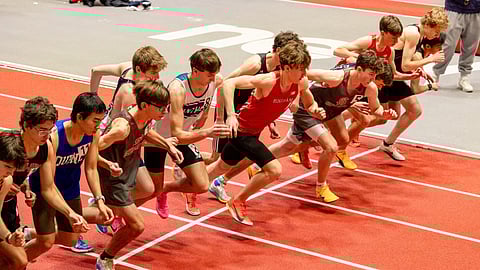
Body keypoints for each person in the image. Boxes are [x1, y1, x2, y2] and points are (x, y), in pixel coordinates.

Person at [219, 50, 395, 212]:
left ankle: (257, 165)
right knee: (331, 147)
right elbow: (305, 75)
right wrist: (293, 86)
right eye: (371, 74)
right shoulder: (335, 77)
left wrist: (384, 113)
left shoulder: (370, 87)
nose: (373, 79)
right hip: (308, 111)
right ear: (359, 69)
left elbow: (376, 109)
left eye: (374, 75)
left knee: (303, 144)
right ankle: (321, 186)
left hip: (328, 113)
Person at [207, 41, 324, 226]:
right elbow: (228, 84)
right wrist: (230, 115)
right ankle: (237, 201)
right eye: (300, 68)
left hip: (254, 133)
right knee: (274, 170)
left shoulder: (300, 82)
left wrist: (315, 110)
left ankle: (181, 186)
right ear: (286, 67)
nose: (304, 73)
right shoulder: (268, 80)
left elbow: (309, 103)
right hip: (241, 132)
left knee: (217, 168)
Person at [95, 80, 183, 270]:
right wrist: (107, 164)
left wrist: (168, 146)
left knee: (149, 188)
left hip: (129, 164)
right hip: (113, 176)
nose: (165, 112)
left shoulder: (145, 116)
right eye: (161, 108)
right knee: (137, 226)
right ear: (144, 105)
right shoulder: (122, 128)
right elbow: (94, 148)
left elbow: (146, 132)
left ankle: (112, 207)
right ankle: (105, 258)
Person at [208, 31, 303, 204]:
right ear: (280, 50)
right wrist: (224, 117)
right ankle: (190, 172)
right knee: (217, 158)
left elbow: (265, 100)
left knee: (236, 159)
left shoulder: (281, 73)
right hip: (232, 111)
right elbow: (224, 85)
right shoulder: (255, 64)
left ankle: (214, 181)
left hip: (250, 116)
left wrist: (270, 122)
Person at [25, 93, 115, 259]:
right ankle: (14, 262)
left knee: (71, 239)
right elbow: (48, 186)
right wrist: (69, 213)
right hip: (45, 188)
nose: (99, 125)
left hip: (70, 188)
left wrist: (99, 200)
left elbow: (91, 168)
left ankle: (28, 234)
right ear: (80, 116)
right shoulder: (55, 136)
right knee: (45, 242)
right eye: (95, 120)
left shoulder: (93, 134)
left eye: (101, 120)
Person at [144, 48, 230, 217]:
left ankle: (166, 189)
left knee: (201, 185)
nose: (213, 78)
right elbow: (176, 133)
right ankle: (114, 213)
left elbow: (220, 89)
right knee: (150, 189)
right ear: (195, 71)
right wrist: (207, 132)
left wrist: (208, 113)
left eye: (215, 74)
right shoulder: (178, 89)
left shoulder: (215, 80)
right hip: (160, 139)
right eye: (209, 75)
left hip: (183, 139)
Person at [4, 97, 90, 264]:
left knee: (17, 260)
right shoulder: (8, 144)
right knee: (17, 259)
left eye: (50, 130)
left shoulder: (45, 148)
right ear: (26, 125)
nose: (47, 135)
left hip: (8, 206)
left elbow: (48, 188)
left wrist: (70, 213)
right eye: (42, 130)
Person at [432, 0, 480, 93]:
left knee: (471, 45)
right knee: (448, 45)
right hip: (453, 8)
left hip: (476, 10)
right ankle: (435, 74)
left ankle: (464, 77)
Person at [0, 132, 27, 270]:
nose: (11, 173)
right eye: (8, 166)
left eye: (14, 168)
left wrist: (9, 237)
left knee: (20, 261)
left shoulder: (5, 181)